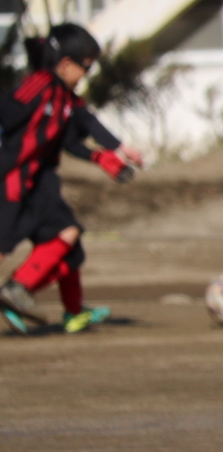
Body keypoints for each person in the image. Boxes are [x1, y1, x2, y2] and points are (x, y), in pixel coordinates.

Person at [0, 24, 142, 335]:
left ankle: (70, 310)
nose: (86, 77)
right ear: (65, 64)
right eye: (86, 68)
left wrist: (112, 151)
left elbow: (81, 127)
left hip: (39, 183)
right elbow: (6, 110)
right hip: (12, 181)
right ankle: (17, 289)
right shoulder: (39, 85)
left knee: (68, 240)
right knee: (46, 239)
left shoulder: (65, 97)